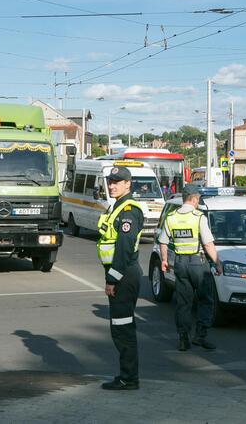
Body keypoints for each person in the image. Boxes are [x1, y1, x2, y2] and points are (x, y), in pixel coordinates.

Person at [96, 166, 145, 391]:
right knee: (121, 327)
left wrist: (112, 279)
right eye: (110, 181)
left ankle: (129, 379)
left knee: (122, 328)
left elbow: (124, 248)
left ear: (128, 184)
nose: (112, 185)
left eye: (117, 181)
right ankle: (126, 376)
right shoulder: (116, 207)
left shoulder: (128, 210)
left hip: (124, 275)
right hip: (122, 274)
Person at [159, 184, 223, 351]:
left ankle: (183, 338)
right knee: (205, 300)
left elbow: (163, 242)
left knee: (183, 303)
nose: (198, 202)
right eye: (198, 199)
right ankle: (200, 336)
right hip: (198, 264)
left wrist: (164, 260)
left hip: (180, 264)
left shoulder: (171, 217)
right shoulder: (198, 217)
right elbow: (208, 244)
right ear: (194, 198)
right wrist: (217, 263)